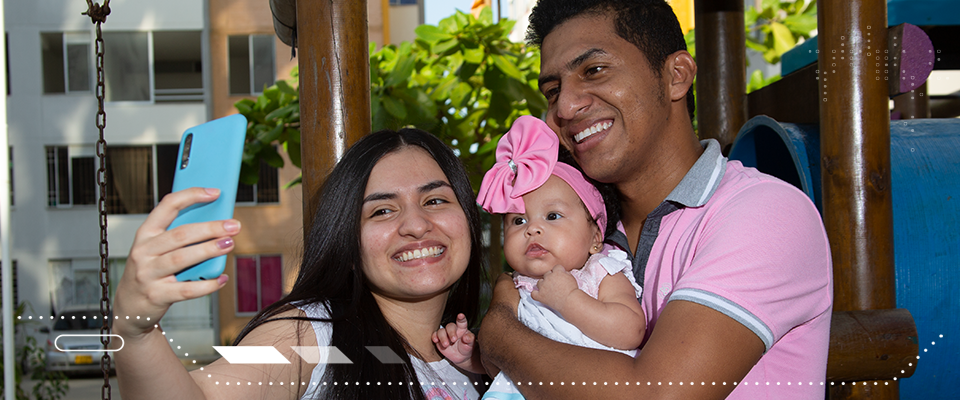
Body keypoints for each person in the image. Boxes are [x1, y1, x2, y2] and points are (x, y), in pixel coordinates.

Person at [477, 1, 833, 399]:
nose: (565, 107)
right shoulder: (579, 227)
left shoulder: (765, 212)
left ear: (676, 76)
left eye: (593, 71)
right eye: (553, 90)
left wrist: (499, 330)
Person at [111, 128, 486, 399]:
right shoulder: (313, 335)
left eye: (435, 201)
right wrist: (135, 330)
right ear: (346, 240)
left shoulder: (478, 355)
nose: (417, 225)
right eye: (382, 210)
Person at [432, 116, 645, 398]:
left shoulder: (600, 272)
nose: (532, 228)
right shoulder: (517, 288)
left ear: (595, 238)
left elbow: (630, 330)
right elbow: (511, 357)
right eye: (518, 221)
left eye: (553, 216)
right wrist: (472, 357)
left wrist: (570, 301)